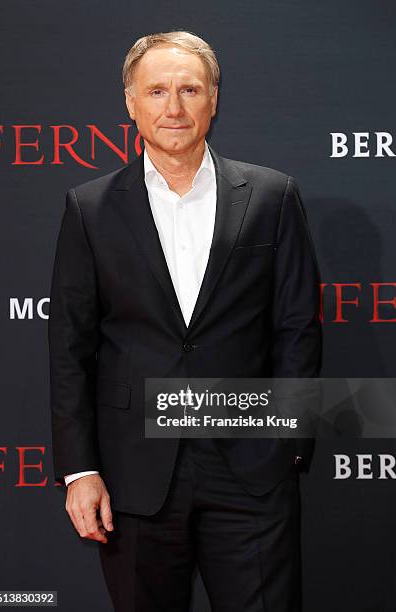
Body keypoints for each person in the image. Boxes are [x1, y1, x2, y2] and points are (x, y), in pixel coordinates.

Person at [48, 30, 322, 612]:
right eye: (157, 91)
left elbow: (297, 326)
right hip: (133, 477)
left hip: (251, 472)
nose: (173, 107)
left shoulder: (272, 196)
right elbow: (70, 349)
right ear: (131, 103)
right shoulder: (89, 208)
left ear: (214, 99)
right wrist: (80, 472)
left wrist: (288, 443)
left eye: (190, 89)